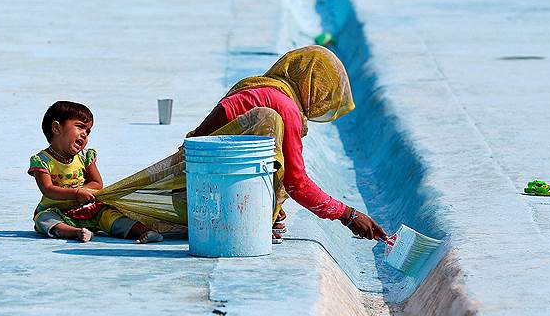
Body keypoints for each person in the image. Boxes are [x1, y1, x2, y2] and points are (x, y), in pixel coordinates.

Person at [188, 45, 387, 243]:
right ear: (309, 85)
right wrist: (349, 216)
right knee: (282, 166)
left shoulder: (264, 88)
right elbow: (296, 183)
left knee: (277, 163)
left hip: (201, 170)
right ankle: (247, 218)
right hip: (204, 193)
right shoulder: (286, 107)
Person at [27, 101, 163, 243]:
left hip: (89, 209)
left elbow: (97, 183)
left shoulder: (85, 157)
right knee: (43, 220)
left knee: (110, 215)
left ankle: (145, 232)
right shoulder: (42, 160)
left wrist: (83, 192)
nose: (84, 134)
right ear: (56, 128)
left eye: (88, 131)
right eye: (80, 127)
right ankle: (75, 232)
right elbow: (48, 189)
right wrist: (76, 193)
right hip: (56, 211)